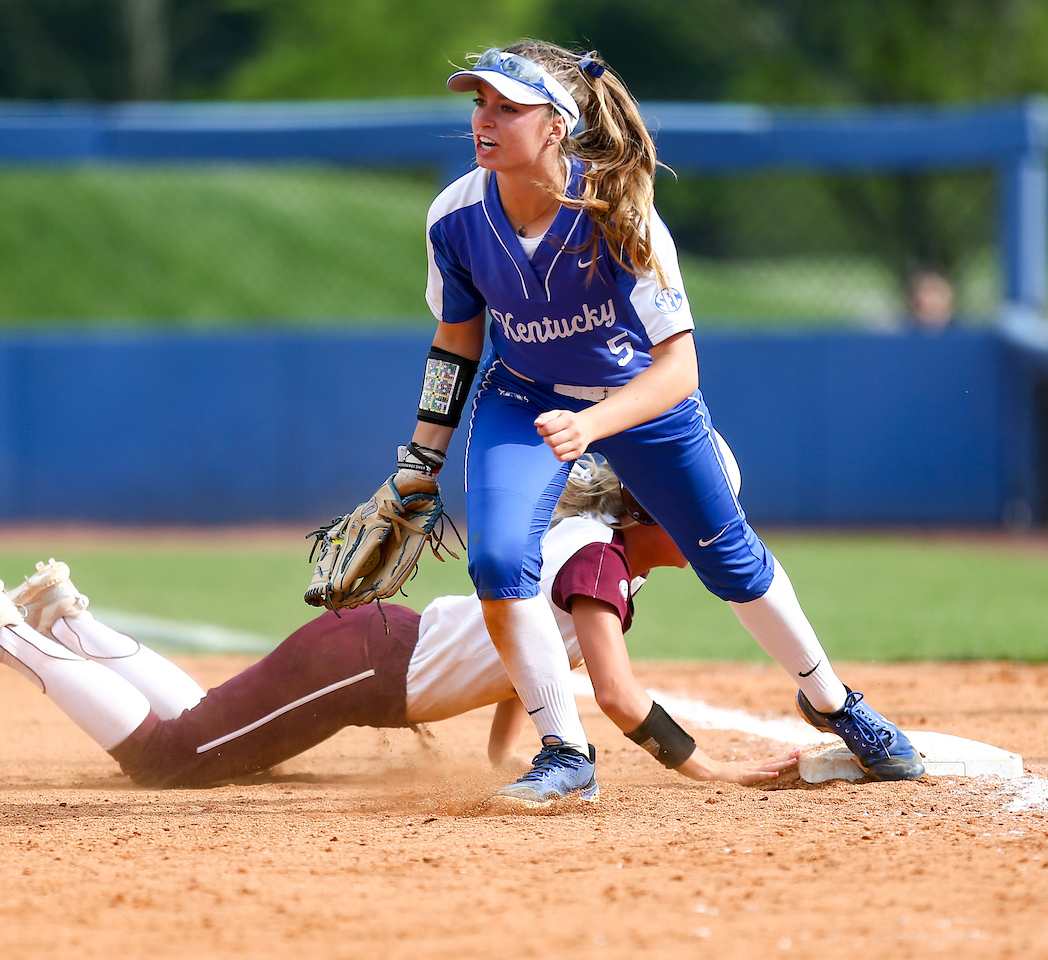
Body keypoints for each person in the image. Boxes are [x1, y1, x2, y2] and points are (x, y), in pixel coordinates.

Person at [388, 40, 924, 802]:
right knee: (500, 562)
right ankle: (566, 757)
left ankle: (834, 701)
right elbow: (456, 344)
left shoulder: (617, 212)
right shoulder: (456, 217)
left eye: (510, 106)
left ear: (556, 126)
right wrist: (422, 456)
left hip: (638, 396)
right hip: (525, 398)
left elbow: (680, 370)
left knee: (728, 557)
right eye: (480, 103)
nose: (485, 118)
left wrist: (597, 423)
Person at [0, 457, 799, 803]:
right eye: (707, 510)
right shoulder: (598, 565)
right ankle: (10, 630)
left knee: (214, 725)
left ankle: (66, 618)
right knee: (170, 762)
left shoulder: (595, 551)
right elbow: (612, 693)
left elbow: (534, 674)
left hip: (369, 652)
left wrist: (503, 759)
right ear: (664, 512)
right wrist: (710, 768)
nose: (717, 527)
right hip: (366, 667)